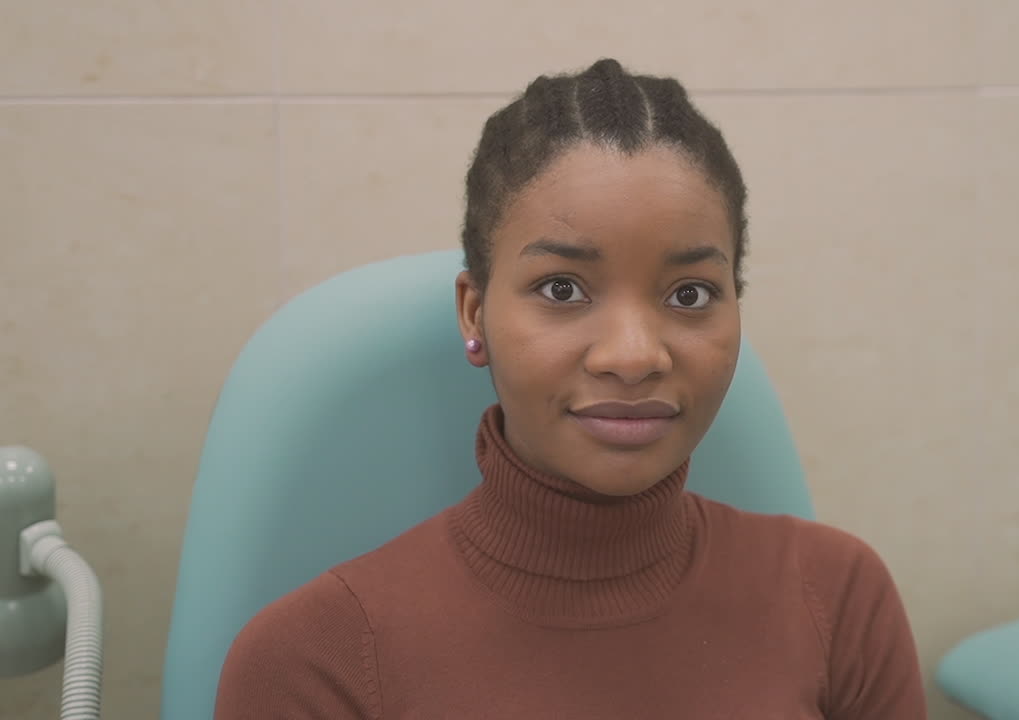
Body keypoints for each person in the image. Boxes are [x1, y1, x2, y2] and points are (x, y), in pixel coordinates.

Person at [215, 58, 926, 719]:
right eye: (562, 288)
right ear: (475, 312)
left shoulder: (839, 598)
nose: (633, 356)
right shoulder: (314, 662)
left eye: (689, 294)